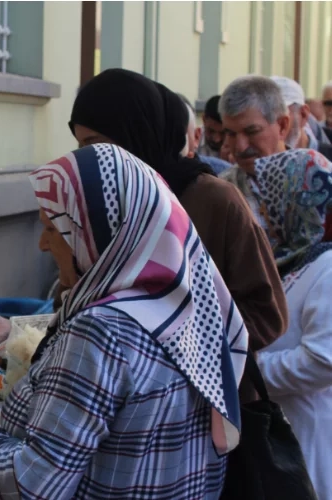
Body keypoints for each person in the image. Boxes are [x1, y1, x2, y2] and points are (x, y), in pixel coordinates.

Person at [0, 144, 248, 498]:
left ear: (96, 235)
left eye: (53, 229)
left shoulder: (100, 330)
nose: (42, 246)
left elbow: (31, 486)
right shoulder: (186, 306)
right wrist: (15, 334)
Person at [64, 69, 286, 363]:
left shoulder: (215, 201)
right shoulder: (101, 205)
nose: (87, 157)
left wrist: (167, 340)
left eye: (95, 144)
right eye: (81, 146)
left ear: (136, 135)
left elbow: (267, 314)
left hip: (205, 398)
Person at [249, 149, 332, 499]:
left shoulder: (327, 268)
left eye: (268, 202)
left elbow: (322, 360)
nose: (263, 214)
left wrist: (250, 372)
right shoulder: (290, 259)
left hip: (308, 442)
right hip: (280, 435)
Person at [218, 75, 291, 233]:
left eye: (252, 131)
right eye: (230, 134)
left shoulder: (317, 182)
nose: (241, 147)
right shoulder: (221, 194)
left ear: (283, 126)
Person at [271, 76, 332, 159]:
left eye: (279, 117)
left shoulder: (328, 159)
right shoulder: (256, 164)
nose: (272, 126)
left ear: (303, 114)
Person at [179, 94, 232, 175]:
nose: (216, 139)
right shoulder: (191, 138)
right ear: (204, 119)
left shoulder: (235, 144)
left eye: (223, 133)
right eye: (211, 131)